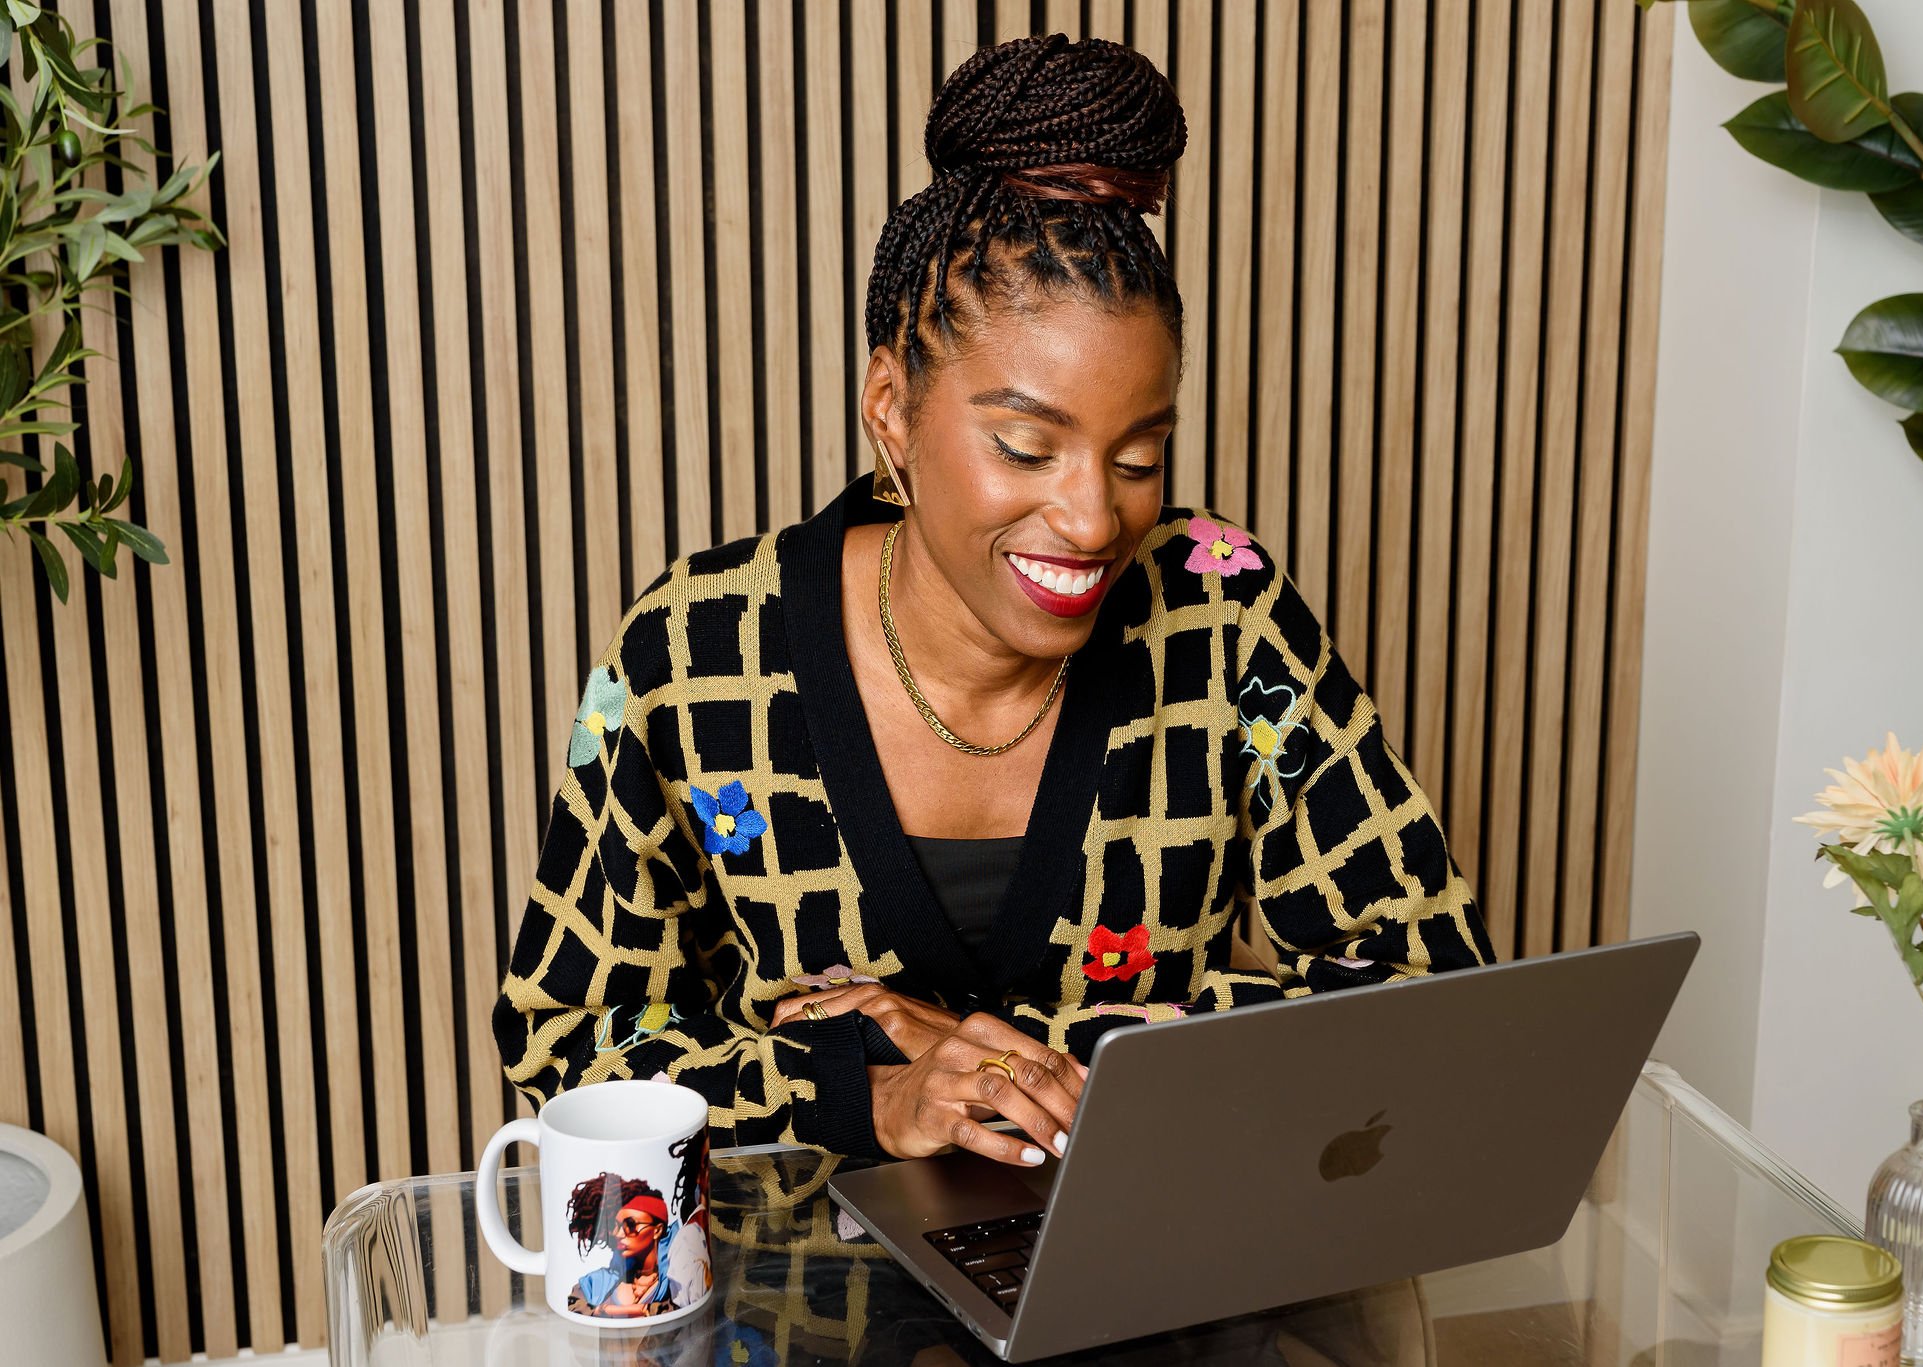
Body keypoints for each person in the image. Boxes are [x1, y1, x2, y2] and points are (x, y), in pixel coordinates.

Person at [494, 32, 1493, 1170]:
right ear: (890, 404)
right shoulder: (699, 651)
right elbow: (567, 1045)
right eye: (1025, 447)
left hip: (1152, 1291)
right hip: (813, 1317)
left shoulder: (1225, 618)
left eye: (1137, 457)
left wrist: (1027, 1058)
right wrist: (871, 1093)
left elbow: (1431, 991)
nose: (1090, 519)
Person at [564, 1177, 682, 1318]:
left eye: (630, 1225)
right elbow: (572, 1304)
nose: (618, 1234)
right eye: (617, 1226)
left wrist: (606, 1311)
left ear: (657, 1230)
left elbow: (681, 1307)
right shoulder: (601, 1281)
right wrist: (639, 1310)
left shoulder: (677, 1277)